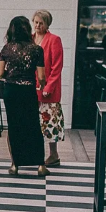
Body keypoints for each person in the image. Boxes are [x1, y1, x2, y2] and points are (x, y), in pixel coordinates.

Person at [0, 16, 49, 176]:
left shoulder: (6, 49)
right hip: (28, 91)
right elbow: (41, 76)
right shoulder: (36, 49)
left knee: (14, 127)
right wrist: (43, 85)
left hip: (11, 92)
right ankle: (40, 165)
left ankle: (15, 165)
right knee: (33, 126)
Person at [33, 10, 64, 167]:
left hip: (47, 90)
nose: (38, 26)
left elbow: (57, 67)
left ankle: (53, 154)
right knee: (34, 123)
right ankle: (35, 154)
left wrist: (49, 87)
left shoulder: (54, 40)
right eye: (36, 22)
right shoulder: (31, 40)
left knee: (49, 122)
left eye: (41, 23)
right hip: (32, 88)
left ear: (47, 24)